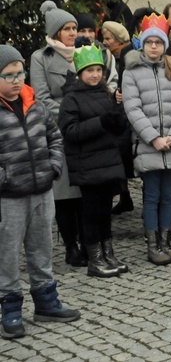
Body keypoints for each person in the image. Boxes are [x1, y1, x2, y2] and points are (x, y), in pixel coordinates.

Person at [0, 45, 81, 339]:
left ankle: (46, 302)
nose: (16, 79)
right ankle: (10, 309)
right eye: (8, 75)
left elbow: (54, 137)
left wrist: (53, 167)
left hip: (42, 190)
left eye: (19, 73)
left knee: (42, 248)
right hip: (8, 197)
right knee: (7, 255)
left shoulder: (36, 105)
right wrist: (5, 178)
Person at [122, 14, 171, 265]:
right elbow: (133, 109)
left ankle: (167, 242)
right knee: (151, 196)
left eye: (158, 43)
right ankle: (153, 245)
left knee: (169, 195)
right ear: (142, 45)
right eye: (149, 42)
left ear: (164, 45)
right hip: (149, 144)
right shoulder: (131, 73)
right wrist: (153, 138)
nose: (153, 47)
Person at [58, 42, 128, 278]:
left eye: (98, 70)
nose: (95, 75)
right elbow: (70, 131)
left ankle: (108, 253)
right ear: (80, 73)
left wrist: (118, 115)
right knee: (90, 213)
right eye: (90, 71)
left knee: (105, 212)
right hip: (88, 164)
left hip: (108, 161)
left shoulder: (106, 93)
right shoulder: (71, 99)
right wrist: (101, 122)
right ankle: (95, 259)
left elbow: (116, 127)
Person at [29, 1, 85, 266]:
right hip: (58, 129)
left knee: (85, 191)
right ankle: (71, 246)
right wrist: (71, 112)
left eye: (74, 28)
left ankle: (88, 242)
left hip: (84, 130)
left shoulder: (84, 52)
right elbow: (40, 98)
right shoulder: (41, 58)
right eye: (67, 29)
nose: (73, 33)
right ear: (55, 32)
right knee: (64, 194)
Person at [100, 20, 136, 215]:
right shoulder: (111, 57)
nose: (104, 42)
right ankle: (124, 196)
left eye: (108, 39)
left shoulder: (126, 56)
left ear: (118, 39)